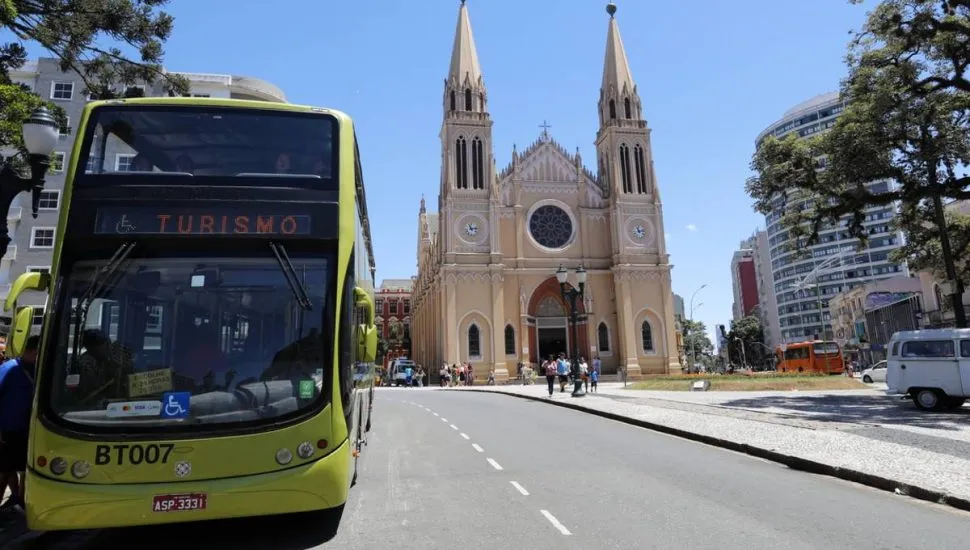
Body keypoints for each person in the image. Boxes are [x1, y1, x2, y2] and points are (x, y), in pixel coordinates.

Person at [0, 335, 39, 513]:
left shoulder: (42, 370)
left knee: (25, 469)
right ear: (31, 351)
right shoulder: (9, 369)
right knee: (5, 469)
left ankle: (20, 502)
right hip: (8, 430)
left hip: (31, 430)